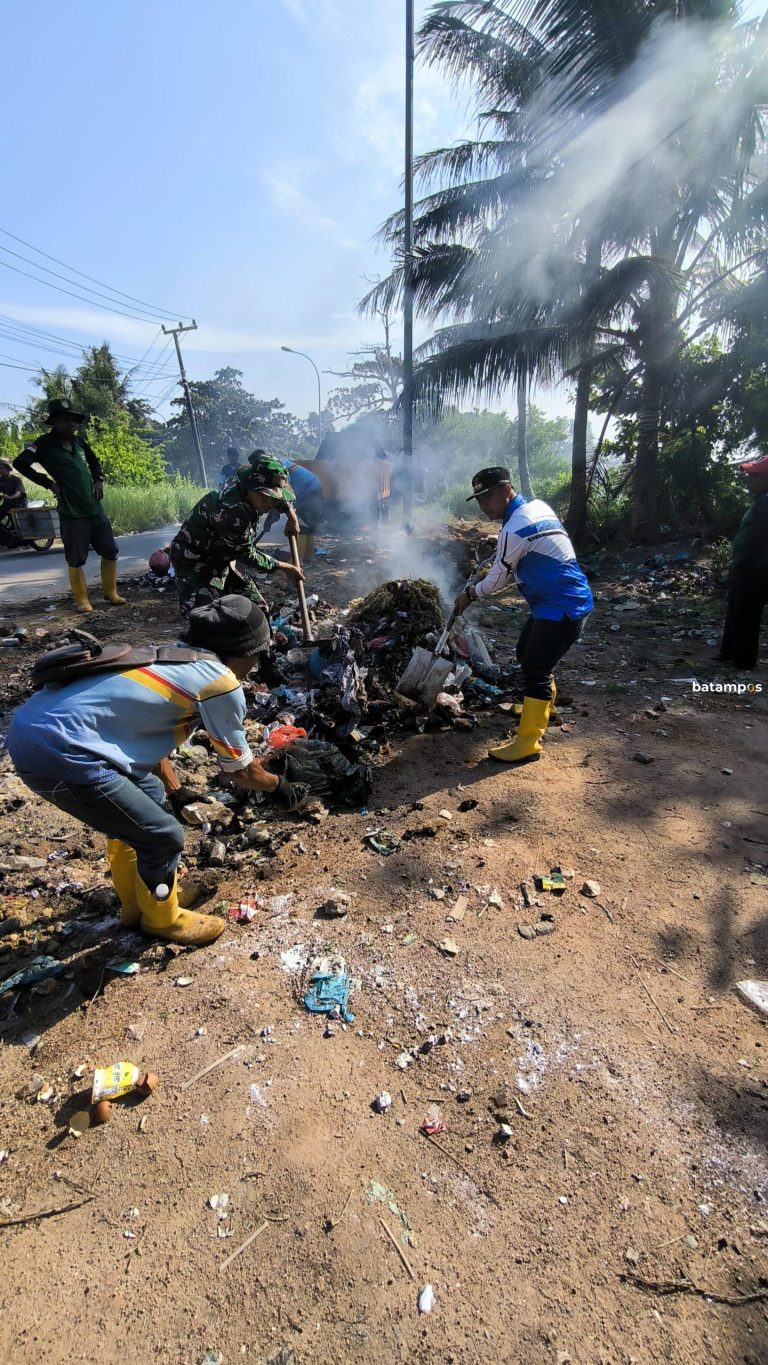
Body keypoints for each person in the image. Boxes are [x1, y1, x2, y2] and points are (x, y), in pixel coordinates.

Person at [6, 597, 306, 947]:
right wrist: (281, 787)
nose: (255, 665)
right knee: (163, 836)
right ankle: (163, 920)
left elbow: (143, 734)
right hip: (61, 754)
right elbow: (240, 770)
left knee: (146, 796)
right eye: (257, 655)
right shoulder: (220, 682)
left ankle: (136, 907)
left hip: (31, 731)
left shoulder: (169, 656)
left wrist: (176, 790)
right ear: (243, 651)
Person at [454, 466, 593, 766]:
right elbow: (528, 538)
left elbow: (495, 582)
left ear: (505, 490)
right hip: (558, 602)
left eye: (487, 497)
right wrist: (499, 539)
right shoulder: (535, 507)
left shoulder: (514, 528)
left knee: (536, 666)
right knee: (525, 651)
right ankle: (544, 707)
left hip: (562, 606)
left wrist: (468, 597)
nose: (482, 505)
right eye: (478, 499)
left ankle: (529, 742)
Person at [13, 397, 124, 613]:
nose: (71, 424)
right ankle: (82, 600)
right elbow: (20, 463)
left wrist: (98, 479)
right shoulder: (43, 444)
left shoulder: (80, 442)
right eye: (66, 420)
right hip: (72, 512)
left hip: (94, 508)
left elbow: (94, 462)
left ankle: (111, 593)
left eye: (73, 420)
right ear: (55, 421)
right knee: (76, 557)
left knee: (110, 550)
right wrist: (48, 483)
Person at [170, 451, 304, 615]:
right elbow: (246, 554)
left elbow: (279, 496)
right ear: (251, 489)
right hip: (195, 560)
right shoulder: (232, 512)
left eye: (275, 498)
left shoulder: (249, 483)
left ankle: (263, 639)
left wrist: (292, 517)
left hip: (223, 557)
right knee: (206, 616)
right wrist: (285, 567)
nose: (270, 503)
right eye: (266, 497)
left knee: (257, 610)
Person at [719, 450, 768, 670]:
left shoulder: (765, 502)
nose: (750, 480)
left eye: (755, 476)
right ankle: (729, 653)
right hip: (749, 567)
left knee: (748, 614)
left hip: (754, 569)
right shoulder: (760, 501)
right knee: (737, 611)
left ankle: (744, 660)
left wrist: (744, 564)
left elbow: (758, 538)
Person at [0, 458, 27, 547]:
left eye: (1, 469)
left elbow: (18, 493)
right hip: (7, 504)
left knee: (20, 522)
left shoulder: (16, 479)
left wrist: (10, 497)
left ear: (7, 469)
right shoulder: (0, 480)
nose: (0, 471)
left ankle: (20, 537)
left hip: (19, 503)